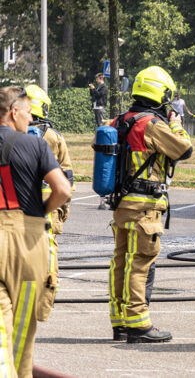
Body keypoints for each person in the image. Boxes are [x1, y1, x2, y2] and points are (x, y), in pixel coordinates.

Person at [108, 66, 192, 344]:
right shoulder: (152, 125)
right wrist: (177, 122)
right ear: (159, 93)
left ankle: (120, 322)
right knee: (141, 263)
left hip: (121, 205)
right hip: (145, 206)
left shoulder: (120, 120)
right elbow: (184, 149)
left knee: (121, 262)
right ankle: (139, 324)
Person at [0, 87, 71, 377]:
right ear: (13, 112)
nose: (31, 121)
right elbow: (63, 190)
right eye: (29, 114)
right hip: (29, 243)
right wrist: (42, 210)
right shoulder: (37, 145)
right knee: (22, 332)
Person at [23, 85, 73, 324]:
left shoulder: (10, 133)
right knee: (48, 255)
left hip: (15, 204)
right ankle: (43, 306)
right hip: (47, 204)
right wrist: (63, 209)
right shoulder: (53, 137)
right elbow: (67, 177)